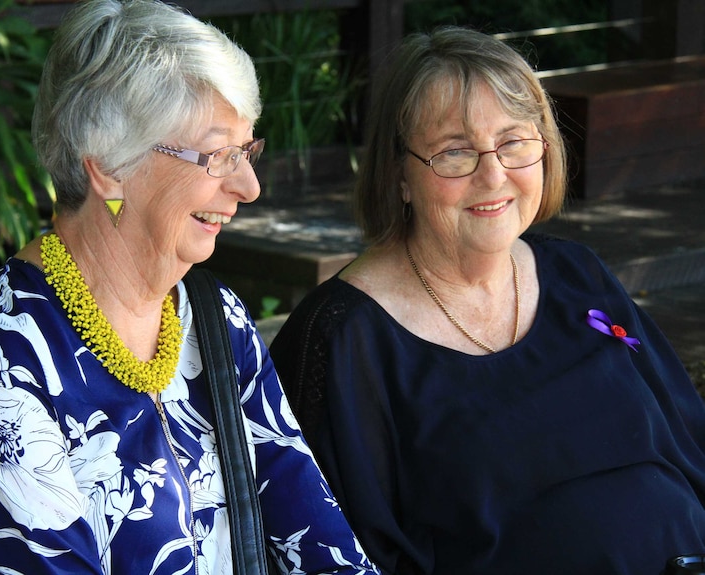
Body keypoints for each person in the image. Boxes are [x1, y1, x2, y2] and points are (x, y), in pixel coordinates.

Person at [0, 1, 380, 573]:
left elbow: (316, 537)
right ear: (109, 163)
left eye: (247, 150)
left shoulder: (213, 316)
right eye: (218, 155)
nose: (249, 186)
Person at [269, 26, 705, 575]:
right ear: (400, 173)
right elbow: (334, 552)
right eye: (454, 151)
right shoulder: (342, 342)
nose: (493, 174)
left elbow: (688, 437)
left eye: (514, 141)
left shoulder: (576, 273)